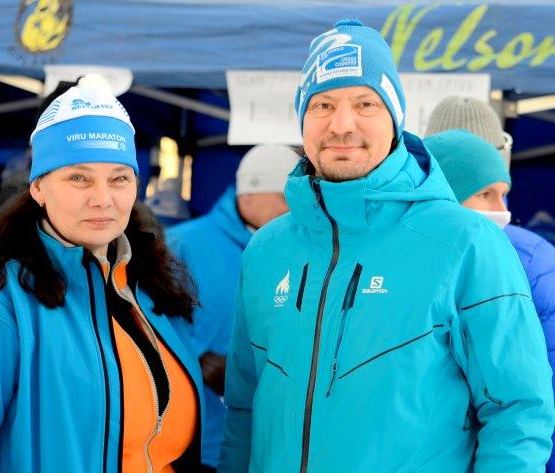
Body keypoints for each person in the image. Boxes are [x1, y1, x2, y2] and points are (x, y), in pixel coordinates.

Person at [218, 19, 554, 473]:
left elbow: (519, 414)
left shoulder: (466, 242)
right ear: (302, 119)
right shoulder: (265, 250)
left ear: (394, 118)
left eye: (365, 103)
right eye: (322, 104)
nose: (342, 124)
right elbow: (243, 409)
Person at [0, 75, 204, 472]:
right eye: (78, 178)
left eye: (119, 178)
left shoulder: (150, 287)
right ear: (38, 187)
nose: (102, 199)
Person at [424, 128, 555, 471]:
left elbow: (525, 403)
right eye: (485, 194)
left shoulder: (529, 261)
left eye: (504, 195)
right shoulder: (399, 267)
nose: (502, 211)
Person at [167, 144, 300, 471]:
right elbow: (141, 317)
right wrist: (197, 356)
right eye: (282, 198)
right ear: (248, 194)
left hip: (273, 440)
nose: (291, 208)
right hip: (196, 437)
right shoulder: (180, 243)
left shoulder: (304, 249)